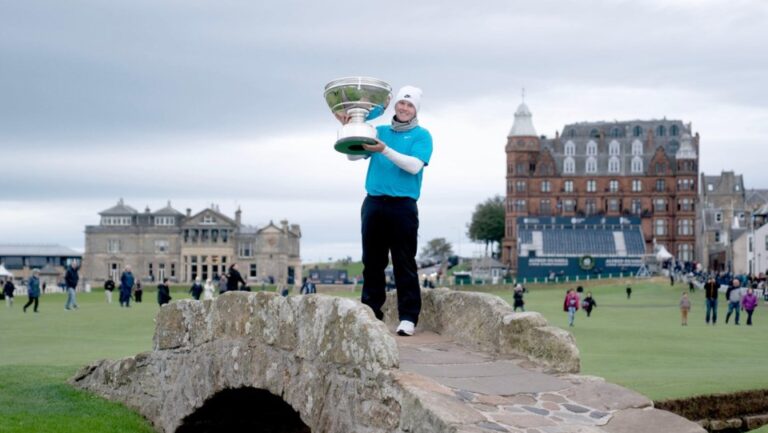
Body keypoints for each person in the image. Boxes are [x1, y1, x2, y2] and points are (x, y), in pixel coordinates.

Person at [343, 85, 433, 337]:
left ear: (415, 110)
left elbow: (414, 166)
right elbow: (352, 156)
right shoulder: (378, 130)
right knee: (372, 261)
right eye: (402, 103)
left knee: (404, 261)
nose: (404, 108)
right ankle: (371, 313)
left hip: (402, 205)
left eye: (410, 105)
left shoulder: (421, 135)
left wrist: (384, 150)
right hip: (373, 202)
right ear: (395, 106)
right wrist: (351, 128)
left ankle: (408, 317)